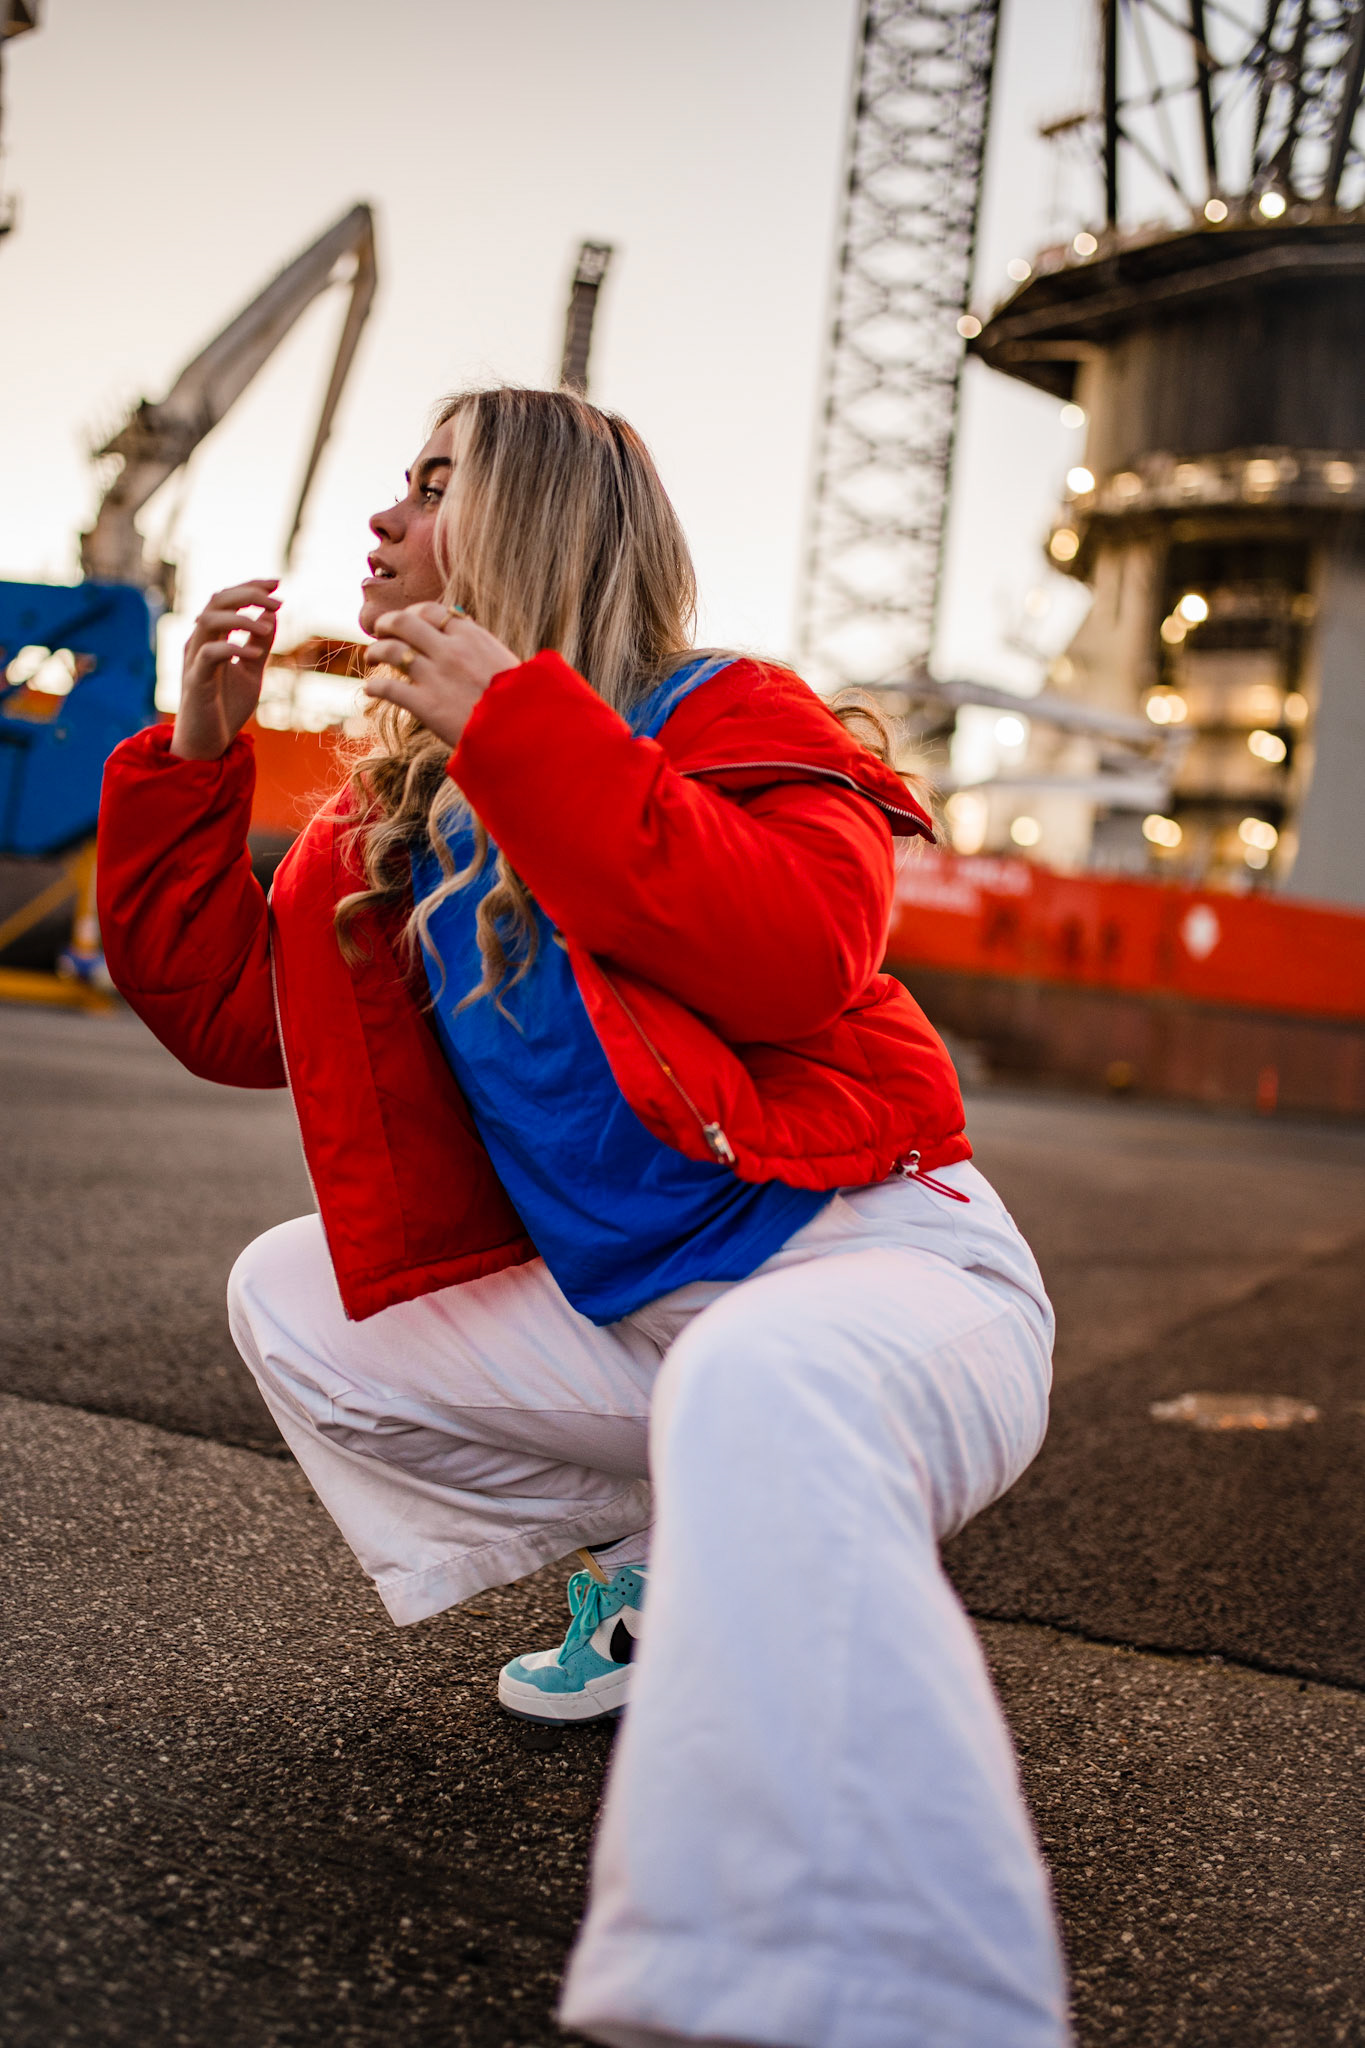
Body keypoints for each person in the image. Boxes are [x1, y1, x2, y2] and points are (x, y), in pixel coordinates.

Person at [97, 386, 1070, 2048]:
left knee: (761, 1383)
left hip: (879, 1258)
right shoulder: (386, 826)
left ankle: (889, 2002)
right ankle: (651, 1566)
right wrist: (195, 758)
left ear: (537, 523)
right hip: (634, 1317)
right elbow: (230, 1020)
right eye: (395, 484)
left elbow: (793, 958)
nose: (385, 519)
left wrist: (521, 729)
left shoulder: (729, 714)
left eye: (433, 485)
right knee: (292, 1293)